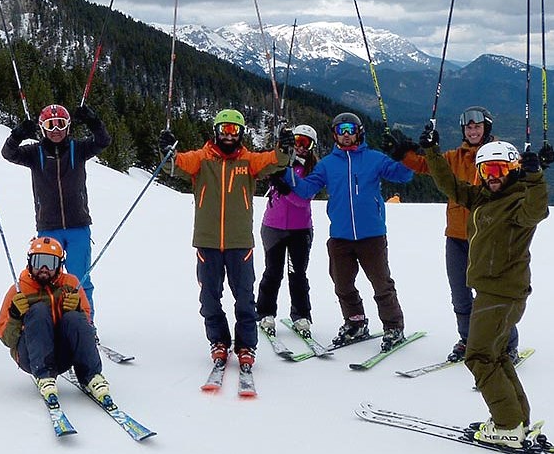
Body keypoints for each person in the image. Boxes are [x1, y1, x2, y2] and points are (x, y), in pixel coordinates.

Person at [421, 128, 549, 449]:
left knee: (478, 356)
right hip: (495, 293)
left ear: (512, 171)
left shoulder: (518, 201)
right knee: (496, 355)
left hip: (501, 293)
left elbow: (538, 211)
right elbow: (449, 185)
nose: (492, 176)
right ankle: (516, 419)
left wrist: (534, 177)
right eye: (486, 170)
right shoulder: (484, 197)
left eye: (500, 169)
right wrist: (433, 153)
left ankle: (506, 425)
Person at [159, 109, 290, 372]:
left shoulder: (248, 161)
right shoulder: (201, 159)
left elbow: (274, 161)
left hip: (239, 242)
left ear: (241, 133)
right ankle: (218, 340)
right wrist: (167, 150)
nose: (229, 135)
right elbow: (175, 165)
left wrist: (284, 148)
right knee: (209, 298)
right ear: (216, 131)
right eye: (224, 129)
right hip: (207, 241)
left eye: (234, 130)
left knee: (244, 298)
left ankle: (246, 346)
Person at [393, 106, 522, 364]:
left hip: (488, 237)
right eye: (468, 127)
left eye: (477, 126)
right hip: (456, 236)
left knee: (493, 294)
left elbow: (519, 179)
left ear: (487, 128)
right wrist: (401, 153)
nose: (473, 131)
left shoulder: (498, 155)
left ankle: (507, 344)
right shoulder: (454, 157)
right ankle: (467, 339)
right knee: (460, 295)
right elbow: (424, 165)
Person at [285, 113, 414, 352]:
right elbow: (305, 190)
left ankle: (393, 326)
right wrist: (284, 170)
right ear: (334, 134)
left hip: (372, 235)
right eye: (341, 129)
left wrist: (403, 154)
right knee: (342, 284)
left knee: (381, 284)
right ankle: (355, 322)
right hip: (341, 236)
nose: (346, 134)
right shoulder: (327, 164)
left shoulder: (374, 158)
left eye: (350, 129)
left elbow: (404, 174)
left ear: (359, 132)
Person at [2, 103, 111, 318]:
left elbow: (103, 142)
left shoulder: (77, 149)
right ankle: (53, 318)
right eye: (50, 125)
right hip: (48, 229)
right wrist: (17, 135)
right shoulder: (35, 153)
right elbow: (8, 153)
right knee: (47, 278)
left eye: (60, 124)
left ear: (68, 126)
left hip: (78, 226)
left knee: (80, 279)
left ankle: (86, 321)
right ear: (43, 128)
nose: (56, 130)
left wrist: (93, 120)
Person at [0, 236, 110, 407]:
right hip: (30, 356)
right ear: (29, 262)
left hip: (63, 356)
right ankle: (44, 375)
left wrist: (77, 309)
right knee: (39, 310)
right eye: (38, 261)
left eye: (50, 263)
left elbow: (85, 323)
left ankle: (91, 376)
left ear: (59, 265)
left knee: (74, 317)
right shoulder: (19, 290)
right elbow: (6, 339)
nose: (43, 269)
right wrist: (15, 316)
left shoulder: (70, 284)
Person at [256, 124, 319, 337]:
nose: (300, 147)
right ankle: (265, 312)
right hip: (273, 226)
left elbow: (304, 200)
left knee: (297, 273)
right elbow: (261, 168)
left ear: (312, 147)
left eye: (305, 143)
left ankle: (301, 314)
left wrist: (286, 189)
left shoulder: (313, 170)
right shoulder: (280, 162)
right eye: (297, 141)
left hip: (299, 230)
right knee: (272, 272)